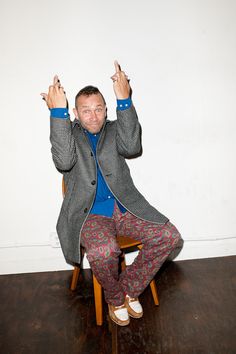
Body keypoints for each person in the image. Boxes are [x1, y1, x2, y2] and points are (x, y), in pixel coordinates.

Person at [41, 61, 183, 326]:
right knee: (104, 249)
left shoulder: (115, 129)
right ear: (76, 112)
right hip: (88, 215)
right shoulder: (68, 134)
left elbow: (132, 146)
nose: (93, 116)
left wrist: (124, 100)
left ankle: (129, 289)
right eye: (86, 111)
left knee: (169, 236)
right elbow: (63, 161)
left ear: (105, 109)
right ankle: (115, 299)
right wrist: (58, 113)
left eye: (98, 109)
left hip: (124, 209)